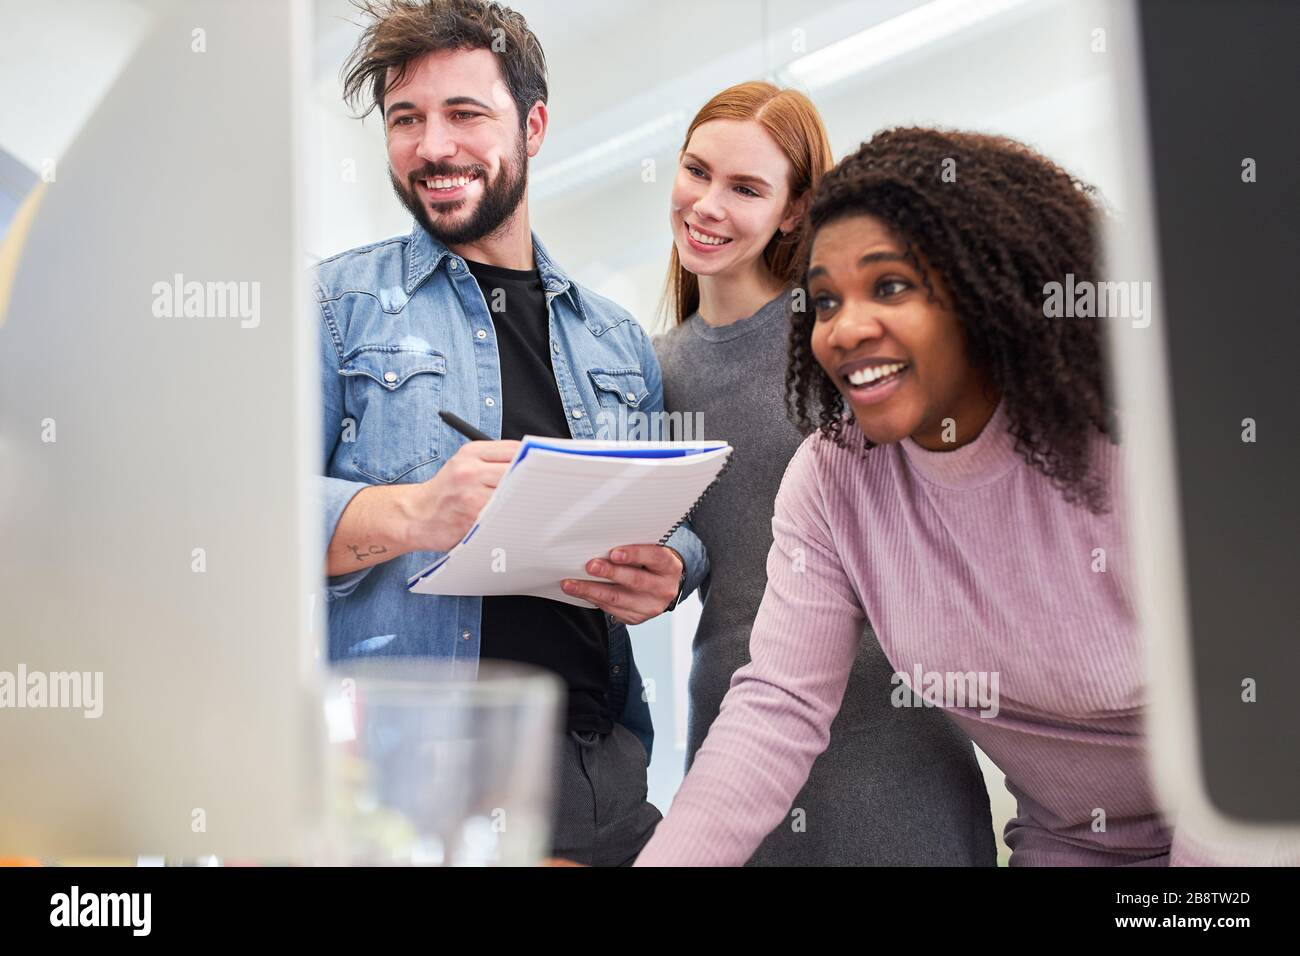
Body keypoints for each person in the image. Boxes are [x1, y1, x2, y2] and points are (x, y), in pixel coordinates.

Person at [638, 127, 1184, 866]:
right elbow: (777, 709)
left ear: (981, 291)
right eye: (825, 301)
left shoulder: (1129, 448)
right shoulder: (835, 480)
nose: (846, 328)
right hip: (1069, 841)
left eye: (889, 286)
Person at [316, 0, 706, 866]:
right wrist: (414, 511)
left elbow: (669, 513)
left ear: (531, 125)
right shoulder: (336, 308)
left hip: (601, 767)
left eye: (465, 113)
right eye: (405, 119)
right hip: (414, 775)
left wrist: (674, 567)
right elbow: (244, 525)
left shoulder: (614, 340)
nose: (432, 146)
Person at [653, 87, 995, 865]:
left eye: (745, 188)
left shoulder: (845, 337)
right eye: (696, 171)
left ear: (794, 211)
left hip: (889, 737)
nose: (707, 205)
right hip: (737, 735)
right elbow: (667, 546)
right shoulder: (654, 370)